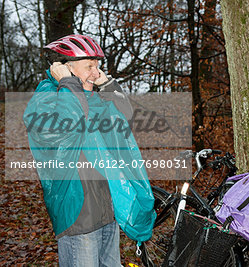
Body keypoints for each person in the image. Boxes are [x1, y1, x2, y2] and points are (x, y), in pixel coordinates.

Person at [23, 34, 156, 266]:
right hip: (79, 216)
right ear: (66, 69)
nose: (96, 73)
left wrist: (108, 86)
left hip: (107, 210)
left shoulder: (89, 96)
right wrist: (68, 84)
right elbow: (68, 124)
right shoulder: (46, 96)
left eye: (97, 67)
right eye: (89, 67)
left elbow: (123, 118)